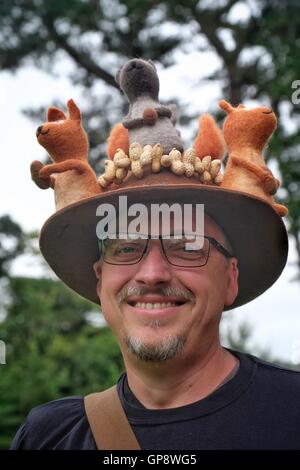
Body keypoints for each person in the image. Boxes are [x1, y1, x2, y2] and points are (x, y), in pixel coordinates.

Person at [11, 59, 300, 450]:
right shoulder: (47, 437)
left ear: (230, 278)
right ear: (101, 280)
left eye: (187, 246)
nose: (152, 273)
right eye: (127, 247)